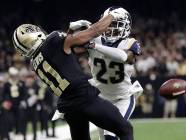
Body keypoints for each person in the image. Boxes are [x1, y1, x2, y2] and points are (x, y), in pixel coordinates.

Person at [12, 8, 134, 140]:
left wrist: (70, 31)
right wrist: (112, 15)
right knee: (125, 129)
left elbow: (67, 50)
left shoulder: (34, 64)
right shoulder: (53, 40)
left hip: (68, 107)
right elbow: (94, 31)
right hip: (84, 98)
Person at [69, 7, 143, 140]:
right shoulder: (94, 39)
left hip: (122, 98)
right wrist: (72, 31)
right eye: (109, 24)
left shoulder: (130, 43)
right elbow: (69, 47)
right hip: (101, 99)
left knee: (111, 136)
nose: (111, 28)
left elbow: (125, 57)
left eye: (115, 24)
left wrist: (95, 47)